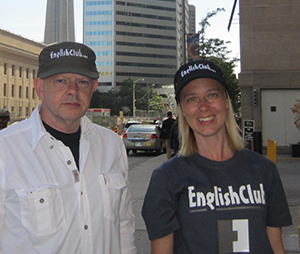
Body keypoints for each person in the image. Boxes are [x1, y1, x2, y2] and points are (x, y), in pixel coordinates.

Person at [142, 59, 292, 254]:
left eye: (212, 95)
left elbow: (276, 246)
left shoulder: (264, 169)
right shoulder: (166, 178)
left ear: (227, 102)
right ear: (183, 111)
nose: (204, 107)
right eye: (192, 99)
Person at [0, 41, 136, 254]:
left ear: (93, 87)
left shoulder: (112, 145)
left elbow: (123, 224)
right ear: (39, 87)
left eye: (82, 81)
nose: (72, 90)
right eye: (61, 81)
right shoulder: (6, 150)